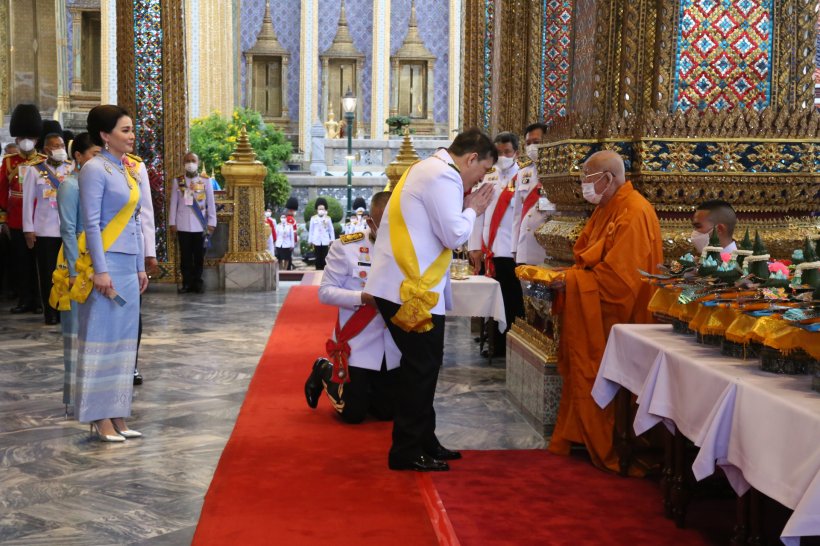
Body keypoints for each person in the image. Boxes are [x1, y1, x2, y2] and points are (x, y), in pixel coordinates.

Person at [364, 128, 496, 471]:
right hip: (410, 290)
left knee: (423, 366)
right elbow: (453, 234)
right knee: (420, 369)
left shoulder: (429, 168)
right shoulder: (444, 175)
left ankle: (424, 439)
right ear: (471, 158)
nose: (479, 180)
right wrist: (473, 210)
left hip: (407, 287)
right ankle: (406, 449)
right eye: (481, 171)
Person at [547, 150, 663, 474]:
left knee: (610, 380)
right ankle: (584, 433)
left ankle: (618, 439)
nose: (585, 185)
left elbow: (619, 283)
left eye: (588, 178)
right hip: (597, 312)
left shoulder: (635, 212)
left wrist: (571, 281)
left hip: (624, 317)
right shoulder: (605, 208)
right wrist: (573, 279)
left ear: (608, 178)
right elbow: (587, 256)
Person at [74, 104, 148, 442]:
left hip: (128, 266)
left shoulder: (125, 170)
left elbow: (134, 220)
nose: (132, 136)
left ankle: (118, 413)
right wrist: (100, 272)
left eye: (132, 129)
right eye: (125, 130)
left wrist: (139, 266)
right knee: (102, 342)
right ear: (105, 136)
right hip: (106, 267)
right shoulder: (94, 169)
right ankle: (98, 417)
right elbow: (90, 223)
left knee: (124, 344)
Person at [304, 191, 401, 423]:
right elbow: (325, 292)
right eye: (385, 225)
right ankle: (323, 369)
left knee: (387, 413)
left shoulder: (407, 248)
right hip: (357, 344)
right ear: (370, 222)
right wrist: (363, 297)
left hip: (391, 345)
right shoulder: (346, 247)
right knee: (353, 413)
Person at [468, 131, 525, 353]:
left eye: (507, 152)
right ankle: (491, 338)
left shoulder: (523, 177)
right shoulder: (488, 176)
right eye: (499, 152)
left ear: (516, 152)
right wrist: (474, 246)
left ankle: (507, 343)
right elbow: (477, 213)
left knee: (510, 300)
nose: (503, 156)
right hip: (488, 249)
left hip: (510, 251)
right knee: (489, 299)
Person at [55, 132, 100, 413]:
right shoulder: (70, 186)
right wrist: (73, 270)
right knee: (74, 332)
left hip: (97, 262)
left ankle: (95, 394)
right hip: (77, 264)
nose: (99, 159)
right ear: (79, 157)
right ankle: (74, 398)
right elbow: (68, 230)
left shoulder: (95, 184)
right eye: (95, 154)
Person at [23, 129, 73, 325]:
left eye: (62, 146)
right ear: (46, 149)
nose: (60, 149)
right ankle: (51, 312)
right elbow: (28, 202)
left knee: (68, 271)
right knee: (47, 272)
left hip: (67, 229)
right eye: (55, 146)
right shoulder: (35, 170)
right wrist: (28, 229)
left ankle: (65, 309)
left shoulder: (71, 168)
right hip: (45, 230)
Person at [0, 104, 46, 314]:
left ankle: (39, 299)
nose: (25, 140)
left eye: (29, 137)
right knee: (20, 261)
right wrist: (4, 219)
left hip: (40, 218)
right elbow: (2, 191)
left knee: (39, 261)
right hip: (16, 218)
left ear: (36, 139)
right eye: (21, 137)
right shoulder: (9, 162)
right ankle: (25, 299)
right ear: (16, 139)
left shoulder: (45, 162)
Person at [169, 151, 216, 294]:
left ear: (198, 163)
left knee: (199, 257)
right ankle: (186, 283)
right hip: (183, 225)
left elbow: (211, 203)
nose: (190, 163)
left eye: (193, 160)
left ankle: (198, 283)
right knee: (185, 257)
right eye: (188, 160)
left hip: (200, 225)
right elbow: (173, 204)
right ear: (184, 163)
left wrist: (212, 222)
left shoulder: (206, 181)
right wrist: (172, 222)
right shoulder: (178, 181)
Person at [512, 123, 553, 266]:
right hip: (526, 243)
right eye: (528, 143)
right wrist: (514, 247)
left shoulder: (559, 169)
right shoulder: (523, 172)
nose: (531, 147)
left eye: (536, 142)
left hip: (549, 243)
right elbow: (517, 213)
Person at [308, 197, 334, 270]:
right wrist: (310, 240)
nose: (321, 210)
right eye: (319, 209)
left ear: (325, 209)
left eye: (322, 209)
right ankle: (318, 270)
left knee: (325, 257)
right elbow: (311, 230)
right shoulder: (313, 218)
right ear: (317, 209)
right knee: (317, 257)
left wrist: (332, 239)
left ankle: (324, 272)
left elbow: (331, 230)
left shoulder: (328, 218)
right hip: (316, 240)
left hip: (325, 240)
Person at [284, 197, 299, 269]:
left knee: (288, 256)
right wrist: (295, 241)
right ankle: (288, 268)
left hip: (287, 241)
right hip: (290, 241)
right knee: (288, 256)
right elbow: (294, 232)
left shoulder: (288, 218)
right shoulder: (291, 219)